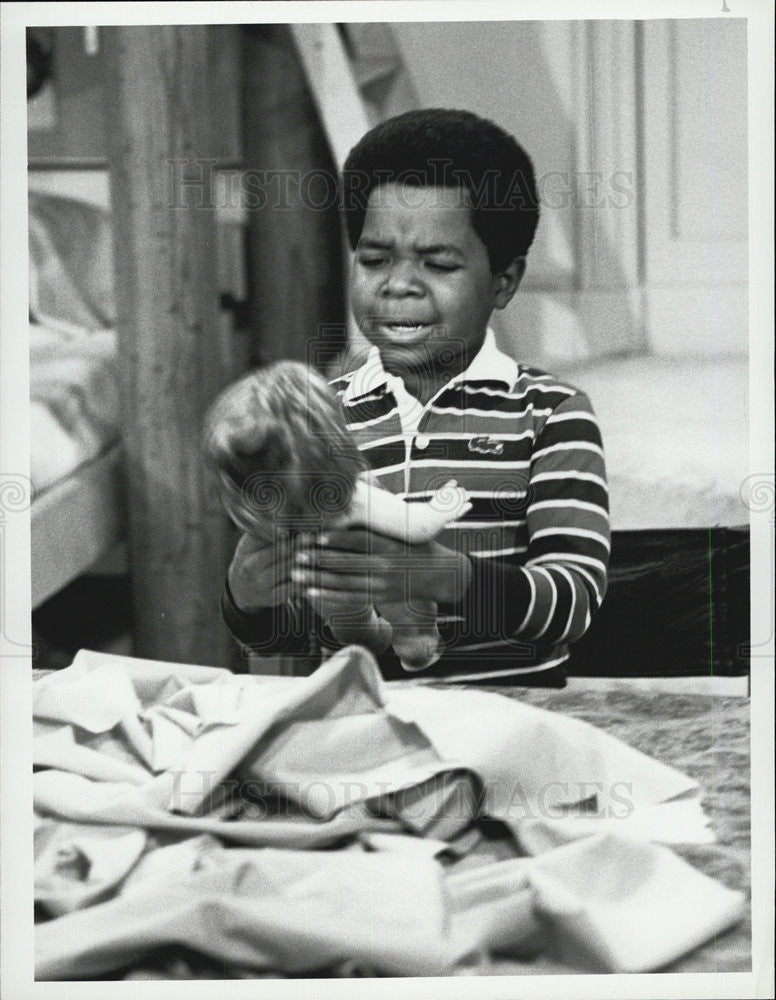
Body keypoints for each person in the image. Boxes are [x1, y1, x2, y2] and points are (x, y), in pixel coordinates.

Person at [222, 108, 610, 686]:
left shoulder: (550, 413)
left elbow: (573, 602)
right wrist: (249, 595)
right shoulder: (318, 414)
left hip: (513, 722)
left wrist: (444, 577)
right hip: (365, 727)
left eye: (439, 263)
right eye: (374, 259)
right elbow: (289, 630)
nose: (398, 284)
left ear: (503, 281)